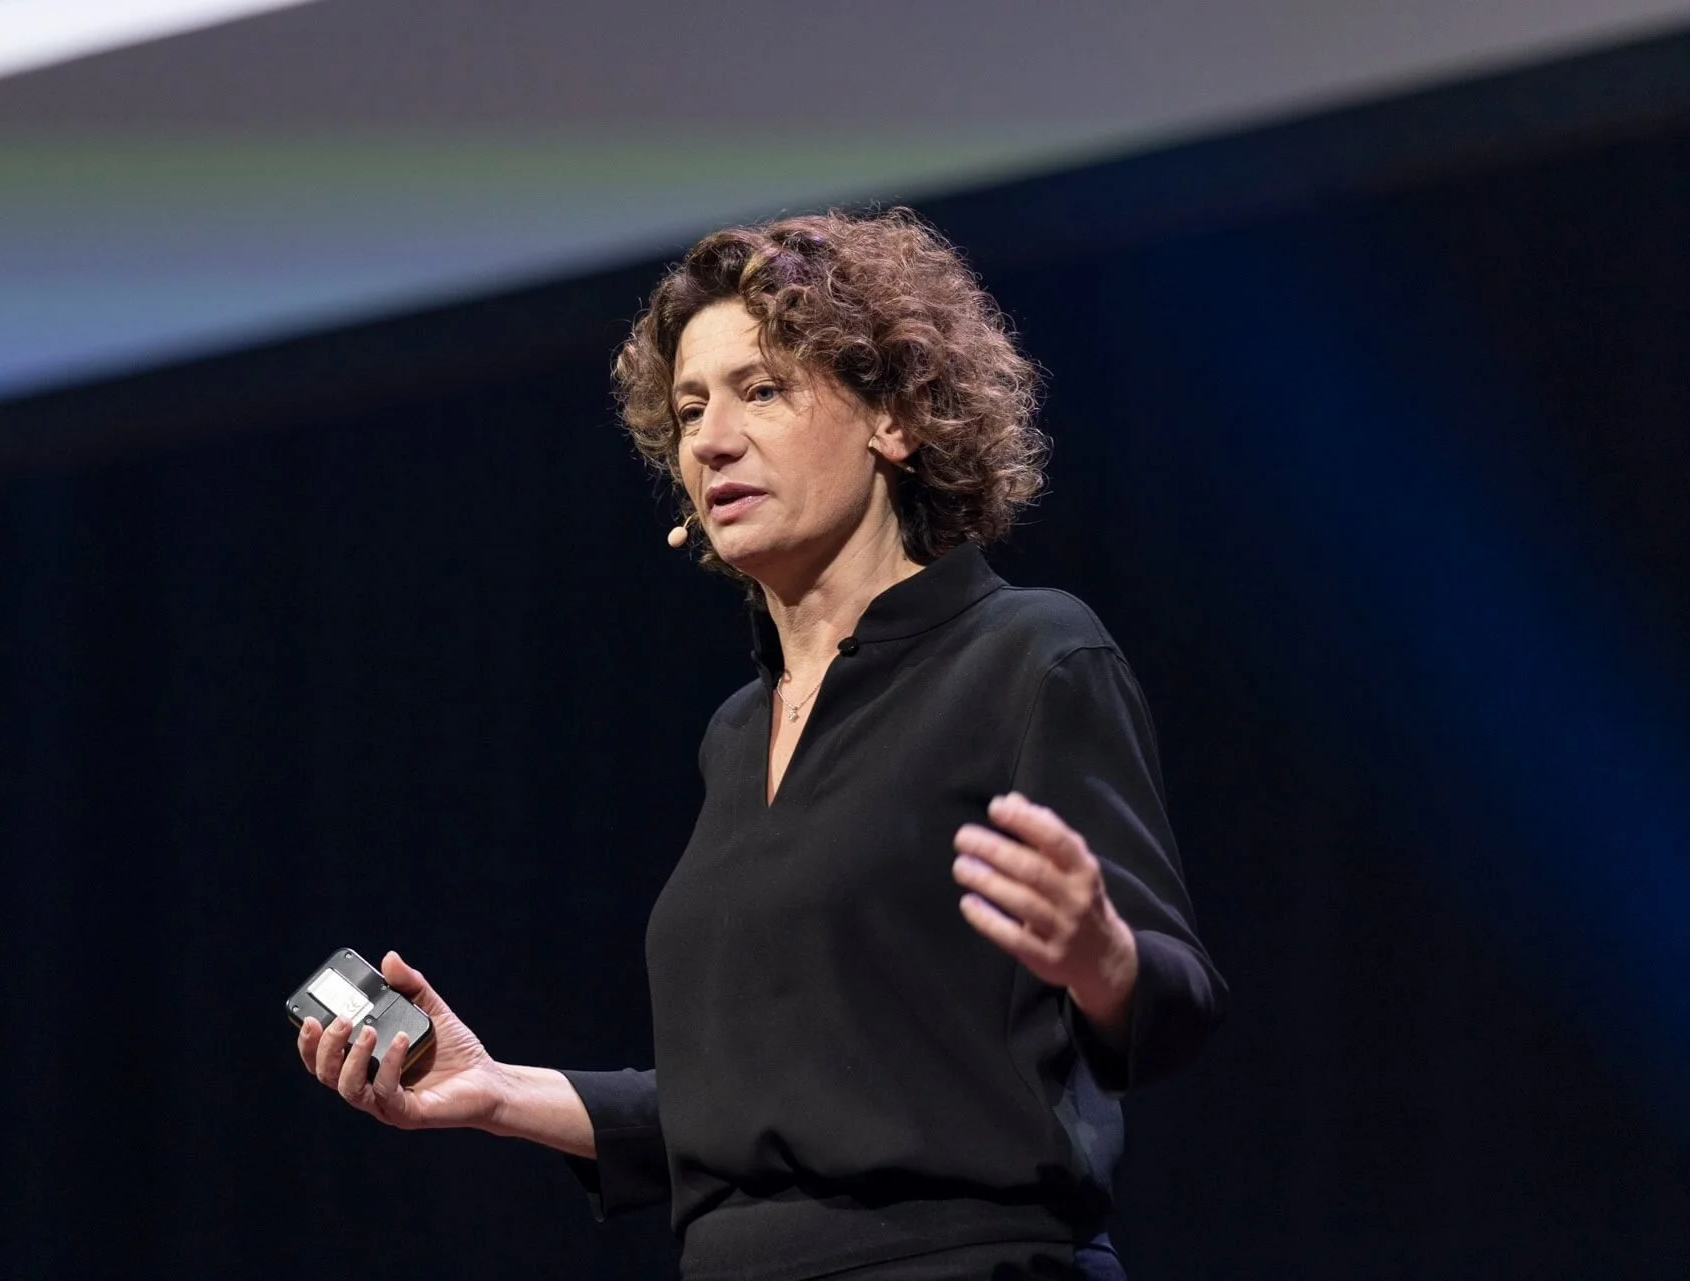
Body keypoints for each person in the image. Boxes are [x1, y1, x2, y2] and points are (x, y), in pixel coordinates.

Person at [295, 208, 1225, 1281]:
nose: (711, 440)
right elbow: (754, 1108)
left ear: (896, 417)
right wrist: (500, 1091)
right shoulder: (738, 733)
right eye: (690, 410)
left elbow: (1177, 1004)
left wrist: (1101, 958)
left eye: (762, 391)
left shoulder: (1029, 654)